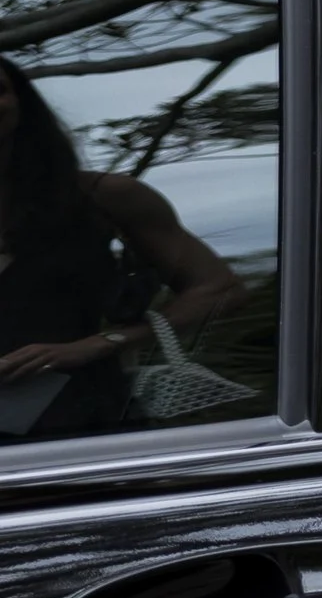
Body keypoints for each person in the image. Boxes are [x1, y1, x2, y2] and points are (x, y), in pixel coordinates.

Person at [0, 59, 247, 441]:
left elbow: (219, 289)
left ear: (20, 104)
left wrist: (102, 344)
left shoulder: (103, 198)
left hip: (85, 434)